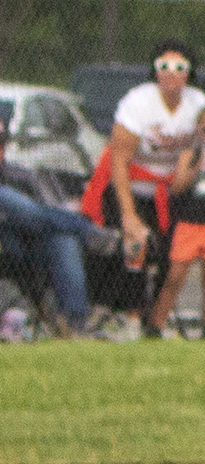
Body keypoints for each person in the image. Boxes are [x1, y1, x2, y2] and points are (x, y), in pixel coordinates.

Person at [88, 39, 205, 329]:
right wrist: (129, 215)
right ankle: (130, 318)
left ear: (189, 73)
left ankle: (157, 321)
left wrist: (183, 180)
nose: (171, 72)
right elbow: (119, 160)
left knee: (176, 250)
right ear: (154, 71)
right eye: (163, 66)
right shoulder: (138, 102)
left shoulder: (197, 104)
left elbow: (199, 154)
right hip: (132, 187)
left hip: (172, 190)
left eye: (180, 67)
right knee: (136, 243)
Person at [0, 128, 121, 336]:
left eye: (2, 142)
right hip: (6, 243)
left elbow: (44, 215)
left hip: (28, 244)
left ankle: (74, 325)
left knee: (63, 238)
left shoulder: (20, 175)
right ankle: (87, 230)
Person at [147, 105, 205, 338]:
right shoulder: (189, 155)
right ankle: (155, 326)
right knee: (174, 277)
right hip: (189, 223)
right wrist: (197, 165)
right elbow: (177, 186)